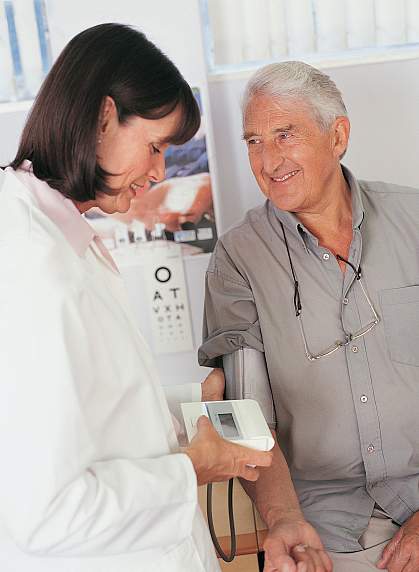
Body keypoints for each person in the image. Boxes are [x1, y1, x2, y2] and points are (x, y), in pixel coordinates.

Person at [0, 23, 273, 572]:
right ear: (102, 117)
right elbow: (47, 512)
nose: (158, 172)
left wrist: (183, 406)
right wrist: (192, 467)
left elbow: (92, 409)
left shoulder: (62, 236)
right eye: (154, 146)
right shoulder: (32, 264)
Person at [199, 60, 419, 572]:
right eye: (253, 141)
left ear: (337, 135)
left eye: (285, 134)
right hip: (323, 525)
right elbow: (245, 410)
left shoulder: (415, 220)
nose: (268, 159)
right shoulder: (237, 258)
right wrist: (282, 520)